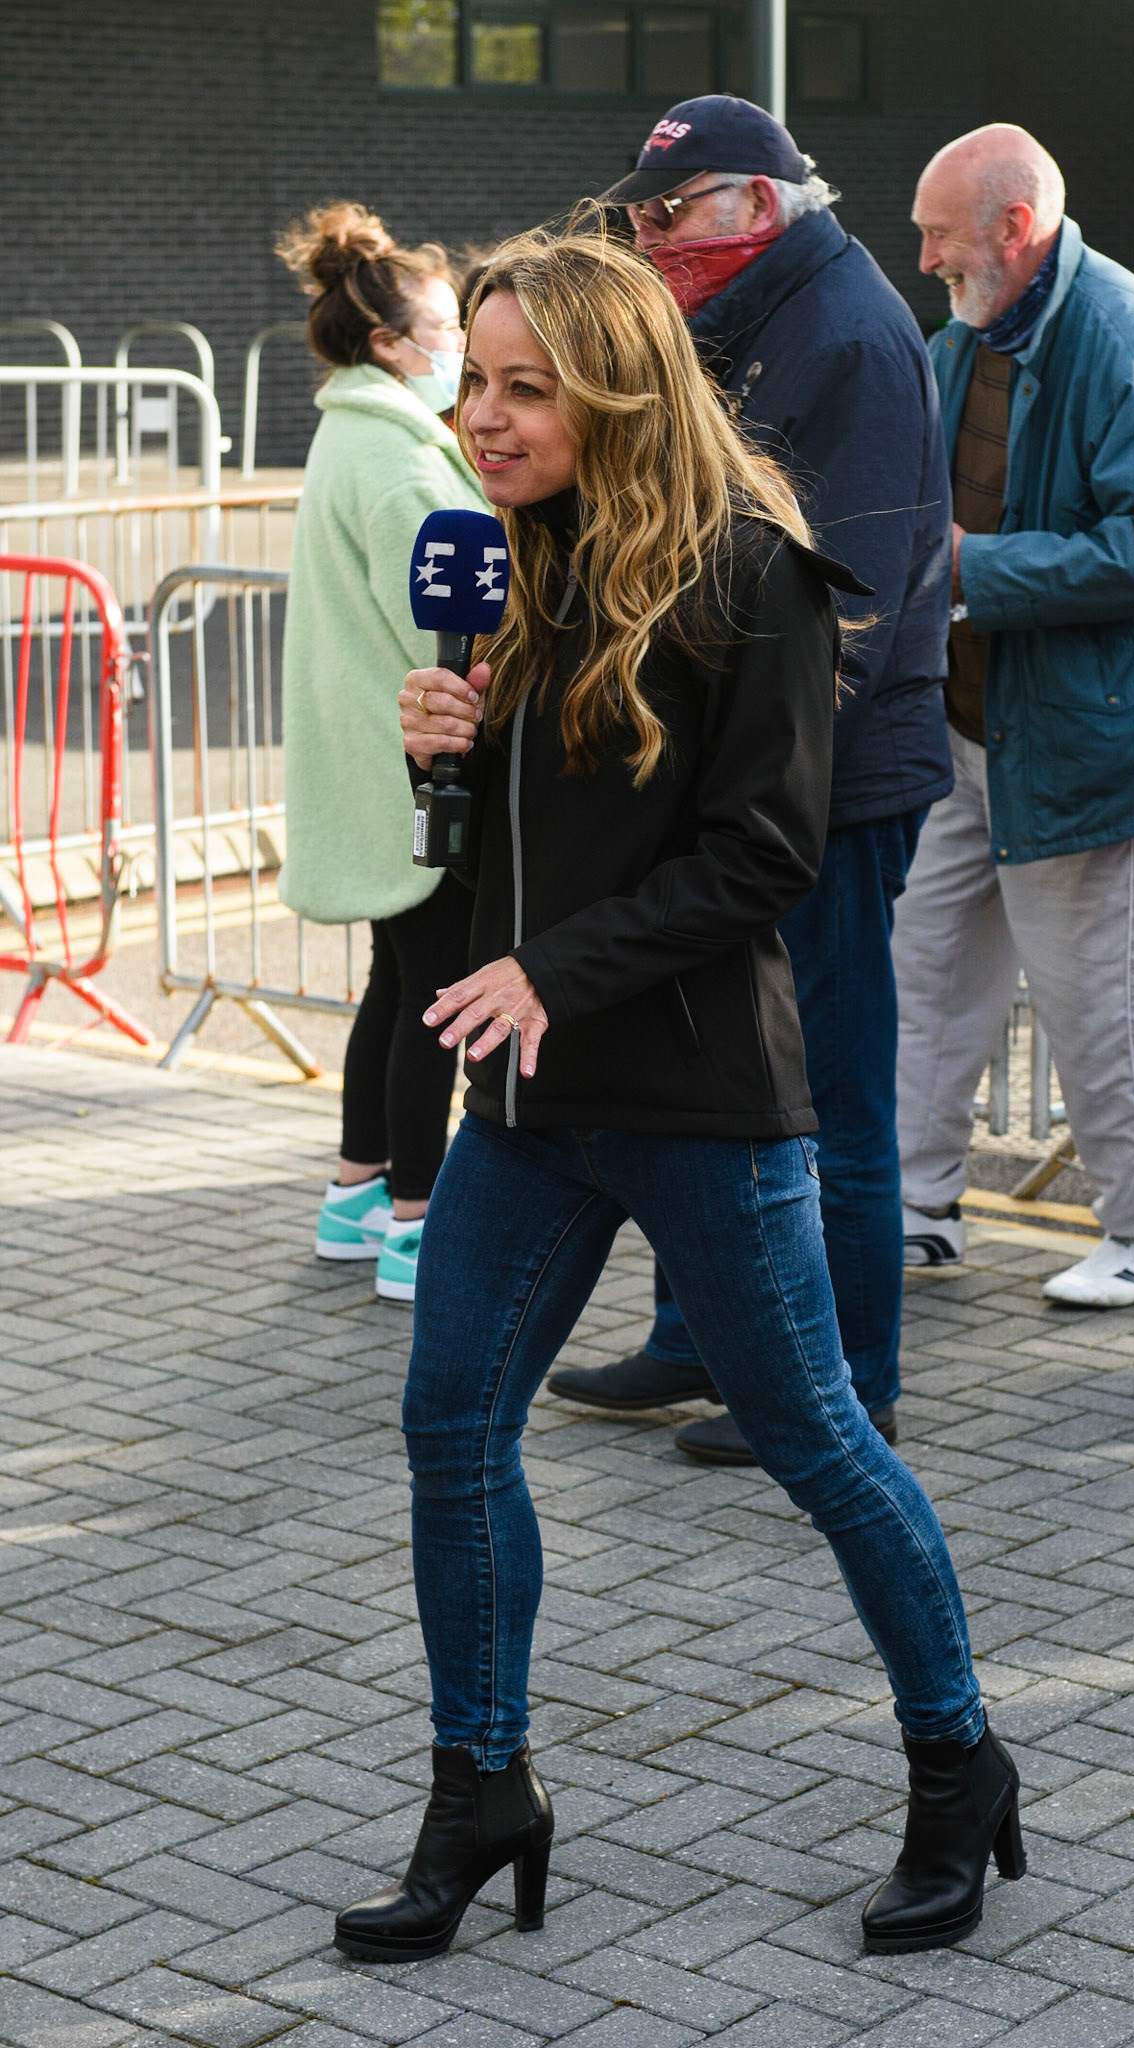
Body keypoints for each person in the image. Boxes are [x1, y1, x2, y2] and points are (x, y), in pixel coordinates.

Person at [332, 220, 1023, 1965]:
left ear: (615, 385)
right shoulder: (516, 557)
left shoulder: (749, 570)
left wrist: (552, 967)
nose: (480, 418)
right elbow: (548, 841)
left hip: (701, 1096)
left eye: (521, 388)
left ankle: (957, 1761)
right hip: (534, 1104)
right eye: (473, 383)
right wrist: (459, 753)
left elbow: (765, 852)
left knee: (814, 1438)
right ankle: (480, 1788)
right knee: (450, 1426)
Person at [544, 95, 954, 1463]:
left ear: (756, 207)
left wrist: (746, 786)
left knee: (820, 1084)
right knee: (707, 1073)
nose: (649, 236)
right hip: (750, 777)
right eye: (641, 214)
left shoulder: (841, 334)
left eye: (672, 212)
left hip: (823, 781)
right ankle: (697, 1337)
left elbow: (847, 599)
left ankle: (849, 1381)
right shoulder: (744, 318)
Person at [893, 125, 1134, 1307]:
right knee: (920, 970)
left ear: (1014, 229)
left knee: (1104, 996)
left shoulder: (1127, 330)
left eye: (939, 236)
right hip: (974, 724)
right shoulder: (970, 327)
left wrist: (970, 568)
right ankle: (910, 1204)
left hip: (1095, 737)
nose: (921, 261)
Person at [275, 202, 486, 1301]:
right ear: (389, 345)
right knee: (436, 995)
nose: (465, 347)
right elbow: (443, 626)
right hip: (415, 767)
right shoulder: (402, 461)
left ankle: (359, 1190)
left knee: (397, 981)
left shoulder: (352, 434)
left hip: (366, 764)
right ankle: (415, 1222)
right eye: (450, 328)